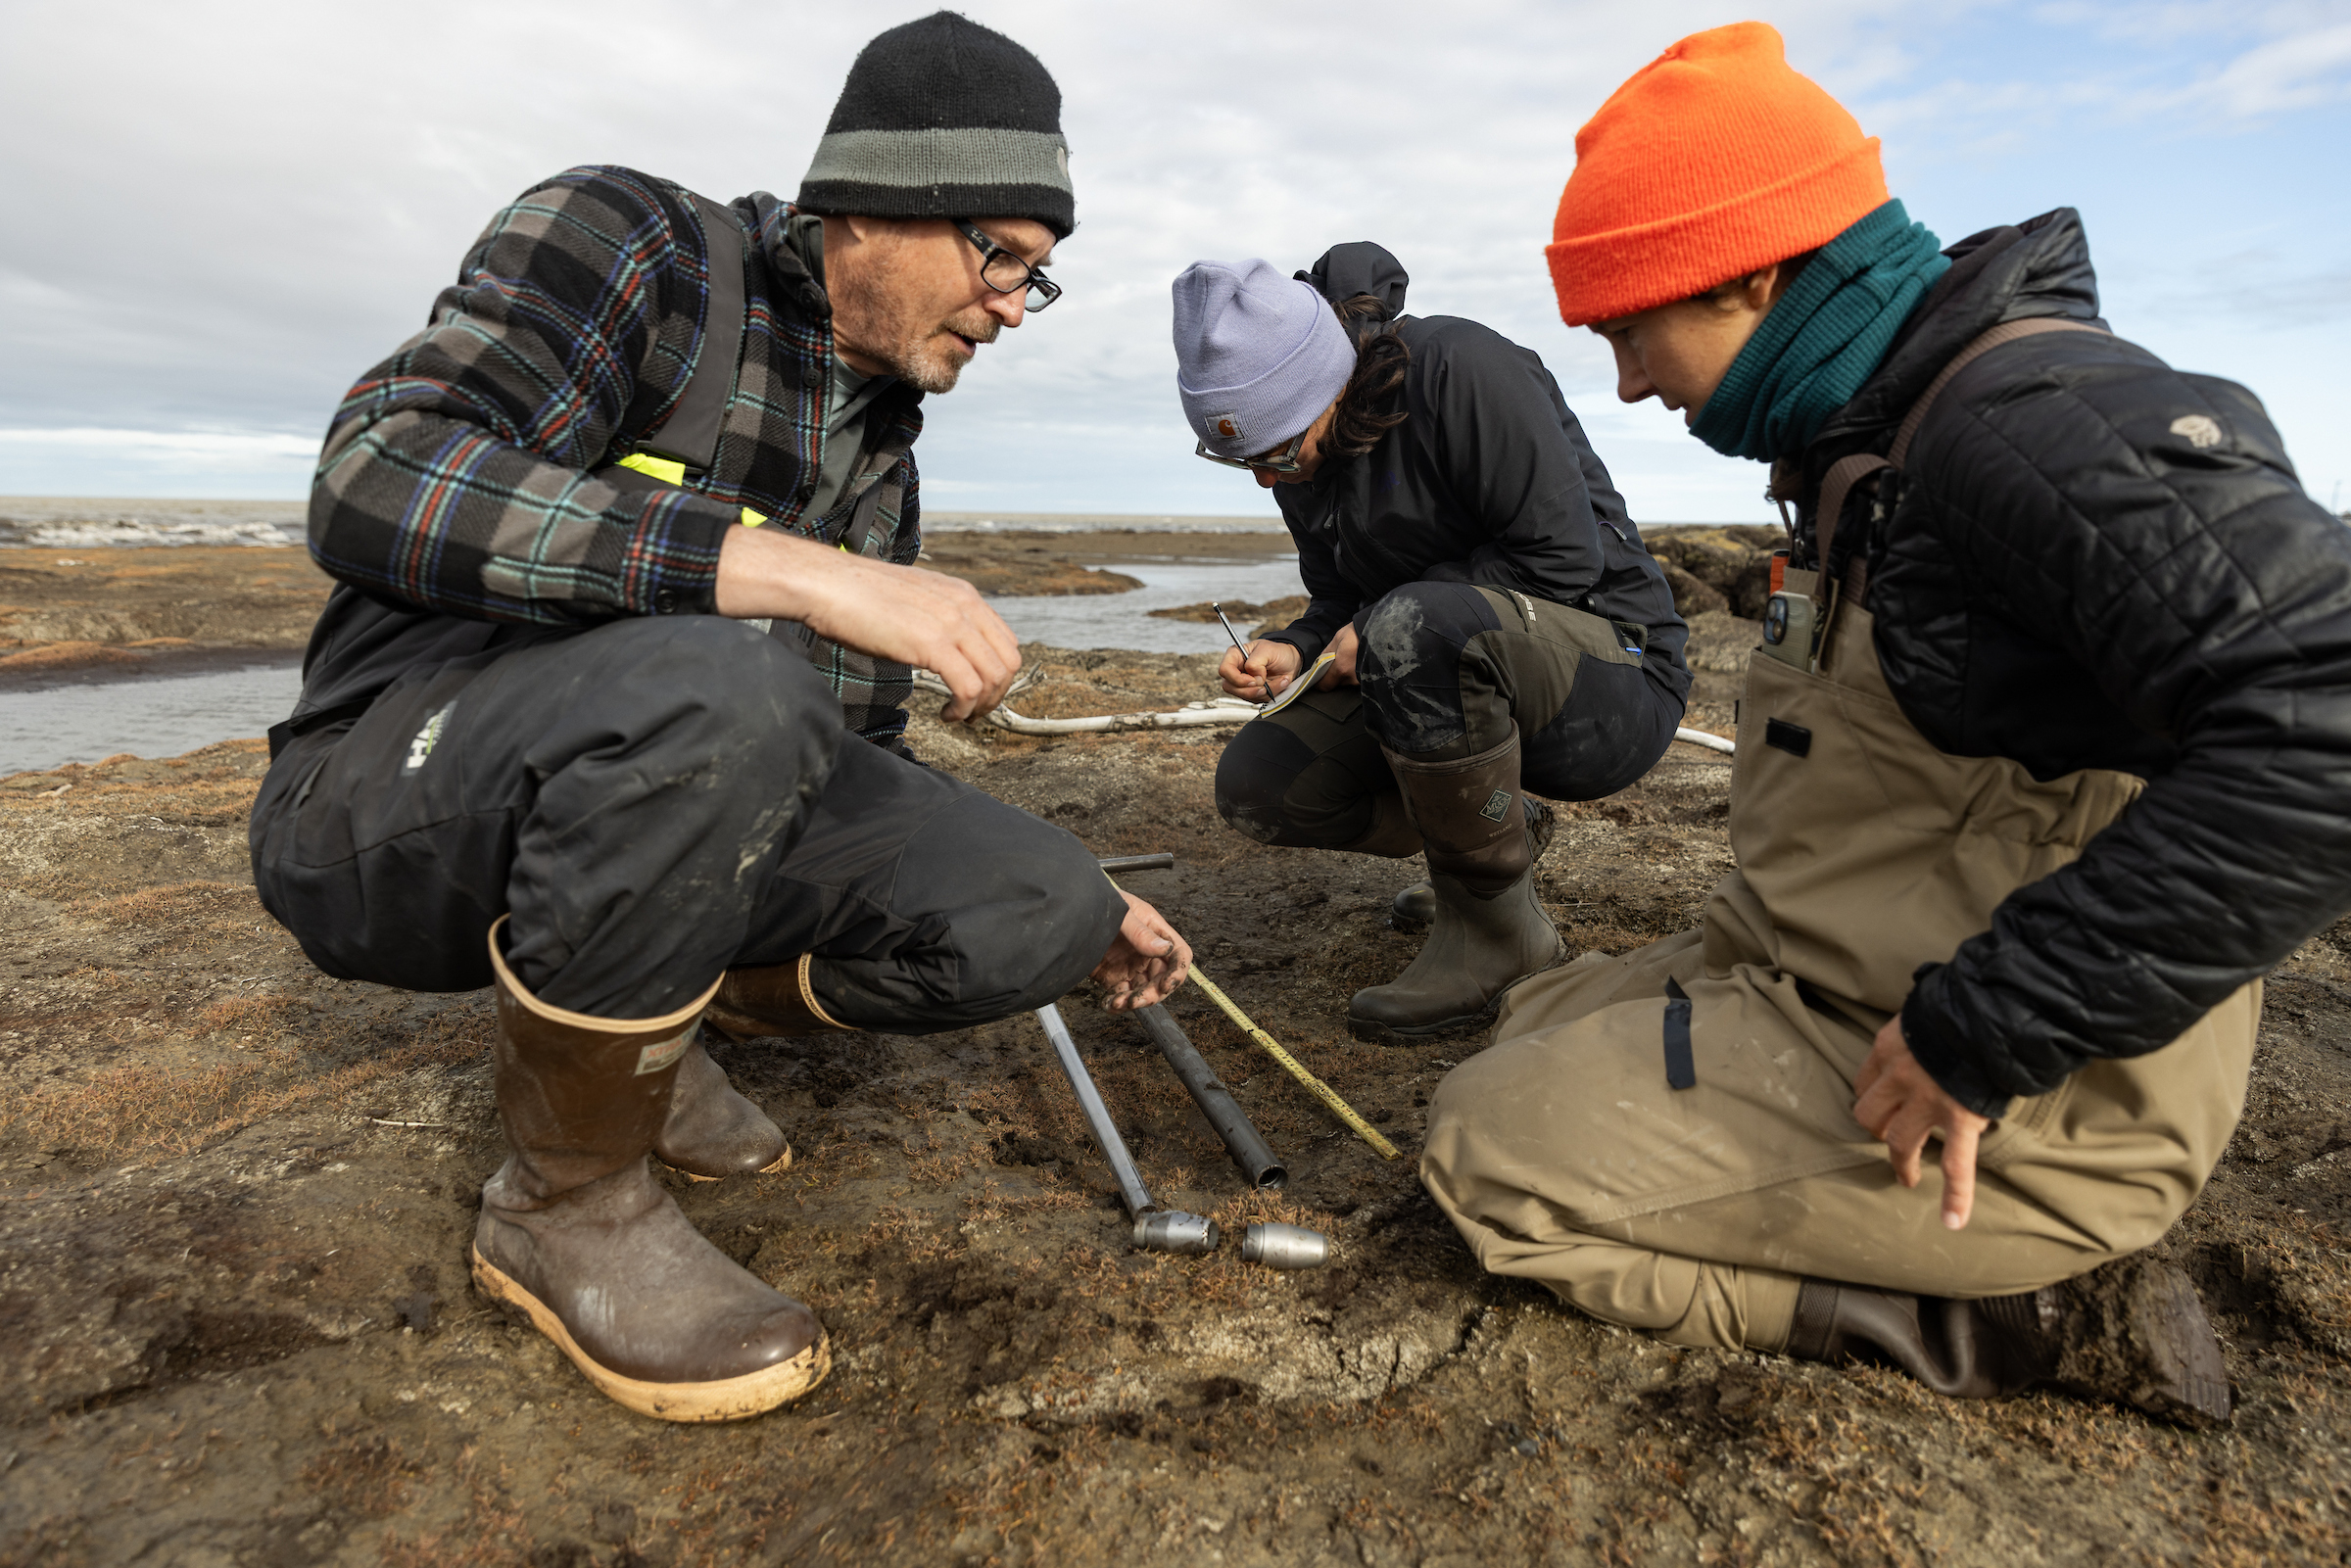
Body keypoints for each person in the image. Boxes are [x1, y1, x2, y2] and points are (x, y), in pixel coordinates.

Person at [249, 13, 1191, 1425]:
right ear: (874, 205)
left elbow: (839, 754)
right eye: (1000, 257)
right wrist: (791, 570)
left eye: (1035, 283)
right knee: (727, 675)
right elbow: (380, 474)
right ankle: (566, 1203)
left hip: (671, 767)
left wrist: (1034, 877)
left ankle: (652, 1009)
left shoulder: (878, 435)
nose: (1010, 307)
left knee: (1034, 897)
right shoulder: (636, 243)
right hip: (388, 794)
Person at [1422, 22, 2351, 1425]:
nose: (1623, 383)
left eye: (1627, 326)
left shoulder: (2030, 422)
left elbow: (2326, 713)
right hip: (1826, 967)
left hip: (2032, 1099)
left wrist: (1993, 1031)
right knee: (1522, 1018)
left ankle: (2017, 1315)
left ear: (1744, 269)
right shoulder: (1876, 427)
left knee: (1484, 1153)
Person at [1171, 246, 1690, 1043]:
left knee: (1413, 626)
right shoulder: (1303, 461)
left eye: (1275, 452)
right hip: (1445, 656)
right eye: (1239, 460)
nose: (1267, 482)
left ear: (1327, 389)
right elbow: (1342, 595)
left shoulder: (1460, 367)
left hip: (1612, 676)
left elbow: (1561, 558)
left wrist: (1378, 624)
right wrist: (1300, 641)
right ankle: (1496, 831)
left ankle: (1499, 936)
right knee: (1263, 784)